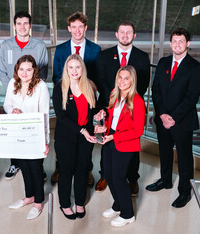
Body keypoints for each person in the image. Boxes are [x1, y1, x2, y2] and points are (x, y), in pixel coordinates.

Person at [146, 28, 200, 208]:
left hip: (182, 121)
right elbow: (156, 91)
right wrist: (163, 114)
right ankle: (165, 180)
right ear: (170, 43)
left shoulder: (195, 67)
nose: (177, 44)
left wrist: (173, 117)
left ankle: (185, 192)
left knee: (184, 157)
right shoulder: (163, 63)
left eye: (181, 41)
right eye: (174, 41)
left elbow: (191, 97)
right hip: (163, 119)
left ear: (187, 44)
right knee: (164, 151)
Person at [95, 21, 150, 194]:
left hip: (132, 107)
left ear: (134, 36)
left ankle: (132, 178)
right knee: (107, 145)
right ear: (116, 35)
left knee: (131, 144)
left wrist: (129, 101)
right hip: (108, 104)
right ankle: (105, 175)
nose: (125, 35)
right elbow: (100, 80)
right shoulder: (104, 56)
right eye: (122, 32)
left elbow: (143, 83)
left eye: (129, 32)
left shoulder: (142, 57)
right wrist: (112, 99)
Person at [50, 11, 101, 186]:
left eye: (81, 27)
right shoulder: (61, 49)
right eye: (74, 27)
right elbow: (57, 74)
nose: (77, 30)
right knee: (65, 133)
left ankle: (86, 169)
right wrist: (68, 91)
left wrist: (85, 91)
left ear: (85, 28)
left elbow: (96, 76)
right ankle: (60, 167)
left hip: (86, 95)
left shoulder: (95, 49)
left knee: (86, 135)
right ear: (69, 28)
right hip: (66, 96)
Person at [0, 11, 48, 180]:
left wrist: (29, 90)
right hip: (15, 98)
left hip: (32, 96)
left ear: (30, 26)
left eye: (25, 23)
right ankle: (15, 163)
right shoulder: (6, 45)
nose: (22, 26)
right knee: (15, 134)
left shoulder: (40, 46)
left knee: (33, 134)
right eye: (18, 23)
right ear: (14, 26)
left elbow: (42, 72)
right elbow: (3, 72)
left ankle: (38, 168)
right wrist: (15, 91)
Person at [94, 66, 145, 227]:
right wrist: (103, 121)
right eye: (120, 77)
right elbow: (111, 119)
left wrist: (114, 136)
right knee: (108, 175)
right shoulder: (114, 95)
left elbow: (138, 130)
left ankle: (127, 214)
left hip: (125, 142)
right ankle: (118, 204)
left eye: (126, 78)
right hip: (110, 137)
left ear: (132, 80)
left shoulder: (137, 101)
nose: (122, 81)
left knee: (118, 178)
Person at [4, 55, 50, 220]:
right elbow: (6, 104)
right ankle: (29, 196)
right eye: (21, 69)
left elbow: (44, 115)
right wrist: (12, 110)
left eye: (28, 69)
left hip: (35, 135)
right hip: (18, 134)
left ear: (34, 70)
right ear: (17, 69)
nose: (24, 72)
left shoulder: (41, 87)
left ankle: (38, 202)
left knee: (36, 169)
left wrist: (45, 141)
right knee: (24, 167)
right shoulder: (12, 83)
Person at [53, 54, 97, 220]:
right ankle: (64, 204)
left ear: (82, 69)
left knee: (82, 171)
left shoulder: (89, 86)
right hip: (66, 138)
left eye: (77, 67)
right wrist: (83, 130)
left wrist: (95, 125)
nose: (74, 70)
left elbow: (92, 113)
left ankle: (79, 202)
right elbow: (62, 117)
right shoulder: (60, 87)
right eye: (70, 67)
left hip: (85, 138)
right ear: (66, 69)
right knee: (66, 172)